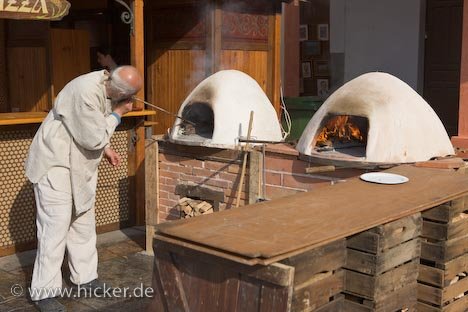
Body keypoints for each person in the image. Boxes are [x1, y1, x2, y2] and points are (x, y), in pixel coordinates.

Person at [25, 66, 143, 312]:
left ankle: (85, 278)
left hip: (77, 166)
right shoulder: (85, 92)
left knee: (83, 224)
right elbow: (93, 137)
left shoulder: (106, 87)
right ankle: (43, 292)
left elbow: (92, 129)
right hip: (55, 164)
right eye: (126, 98)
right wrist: (119, 113)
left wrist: (107, 148)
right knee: (54, 229)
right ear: (120, 92)